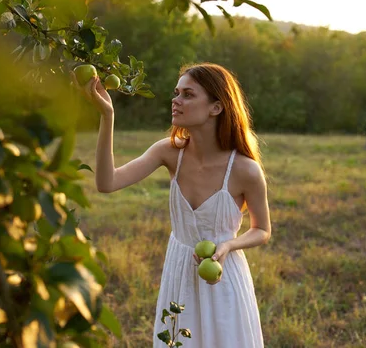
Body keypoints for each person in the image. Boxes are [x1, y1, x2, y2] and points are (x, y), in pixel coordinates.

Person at [75, 62, 271, 348]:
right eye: (176, 92)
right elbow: (107, 183)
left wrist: (228, 245)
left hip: (222, 276)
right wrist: (107, 115)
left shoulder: (245, 170)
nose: (175, 101)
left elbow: (262, 230)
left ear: (216, 107)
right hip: (179, 270)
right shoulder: (168, 152)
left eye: (188, 95)